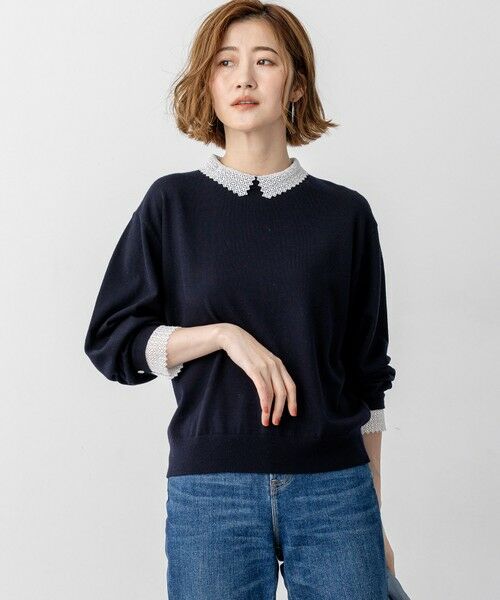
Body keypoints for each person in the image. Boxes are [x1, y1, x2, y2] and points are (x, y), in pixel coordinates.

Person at [84, 1, 398, 598]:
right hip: (212, 494)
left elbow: (368, 376)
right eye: (225, 62)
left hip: (337, 492)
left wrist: (374, 514)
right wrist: (223, 335)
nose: (244, 78)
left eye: (265, 61)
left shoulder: (345, 214)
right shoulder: (172, 205)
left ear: (296, 84)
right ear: (208, 83)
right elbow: (112, 342)